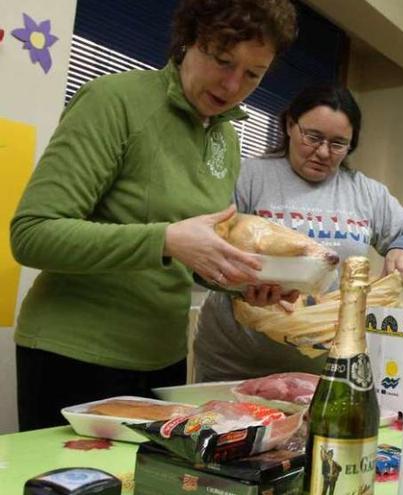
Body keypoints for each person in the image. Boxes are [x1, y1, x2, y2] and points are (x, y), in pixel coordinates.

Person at [10, 0, 298, 431]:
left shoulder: (226, 140)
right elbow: (32, 234)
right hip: (75, 355)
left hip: (164, 361)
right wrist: (164, 240)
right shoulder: (115, 101)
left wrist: (244, 283)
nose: (234, 84)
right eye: (222, 60)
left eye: (253, 74)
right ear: (188, 39)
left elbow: (192, 256)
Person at [193, 85, 403, 381]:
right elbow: (202, 250)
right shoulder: (247, 176)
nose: (323, 152)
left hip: (328, 367)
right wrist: (240, 285)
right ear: (289, 125)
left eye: (338, 144)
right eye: (313, 137)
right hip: (237, 360)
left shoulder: (365, 193)